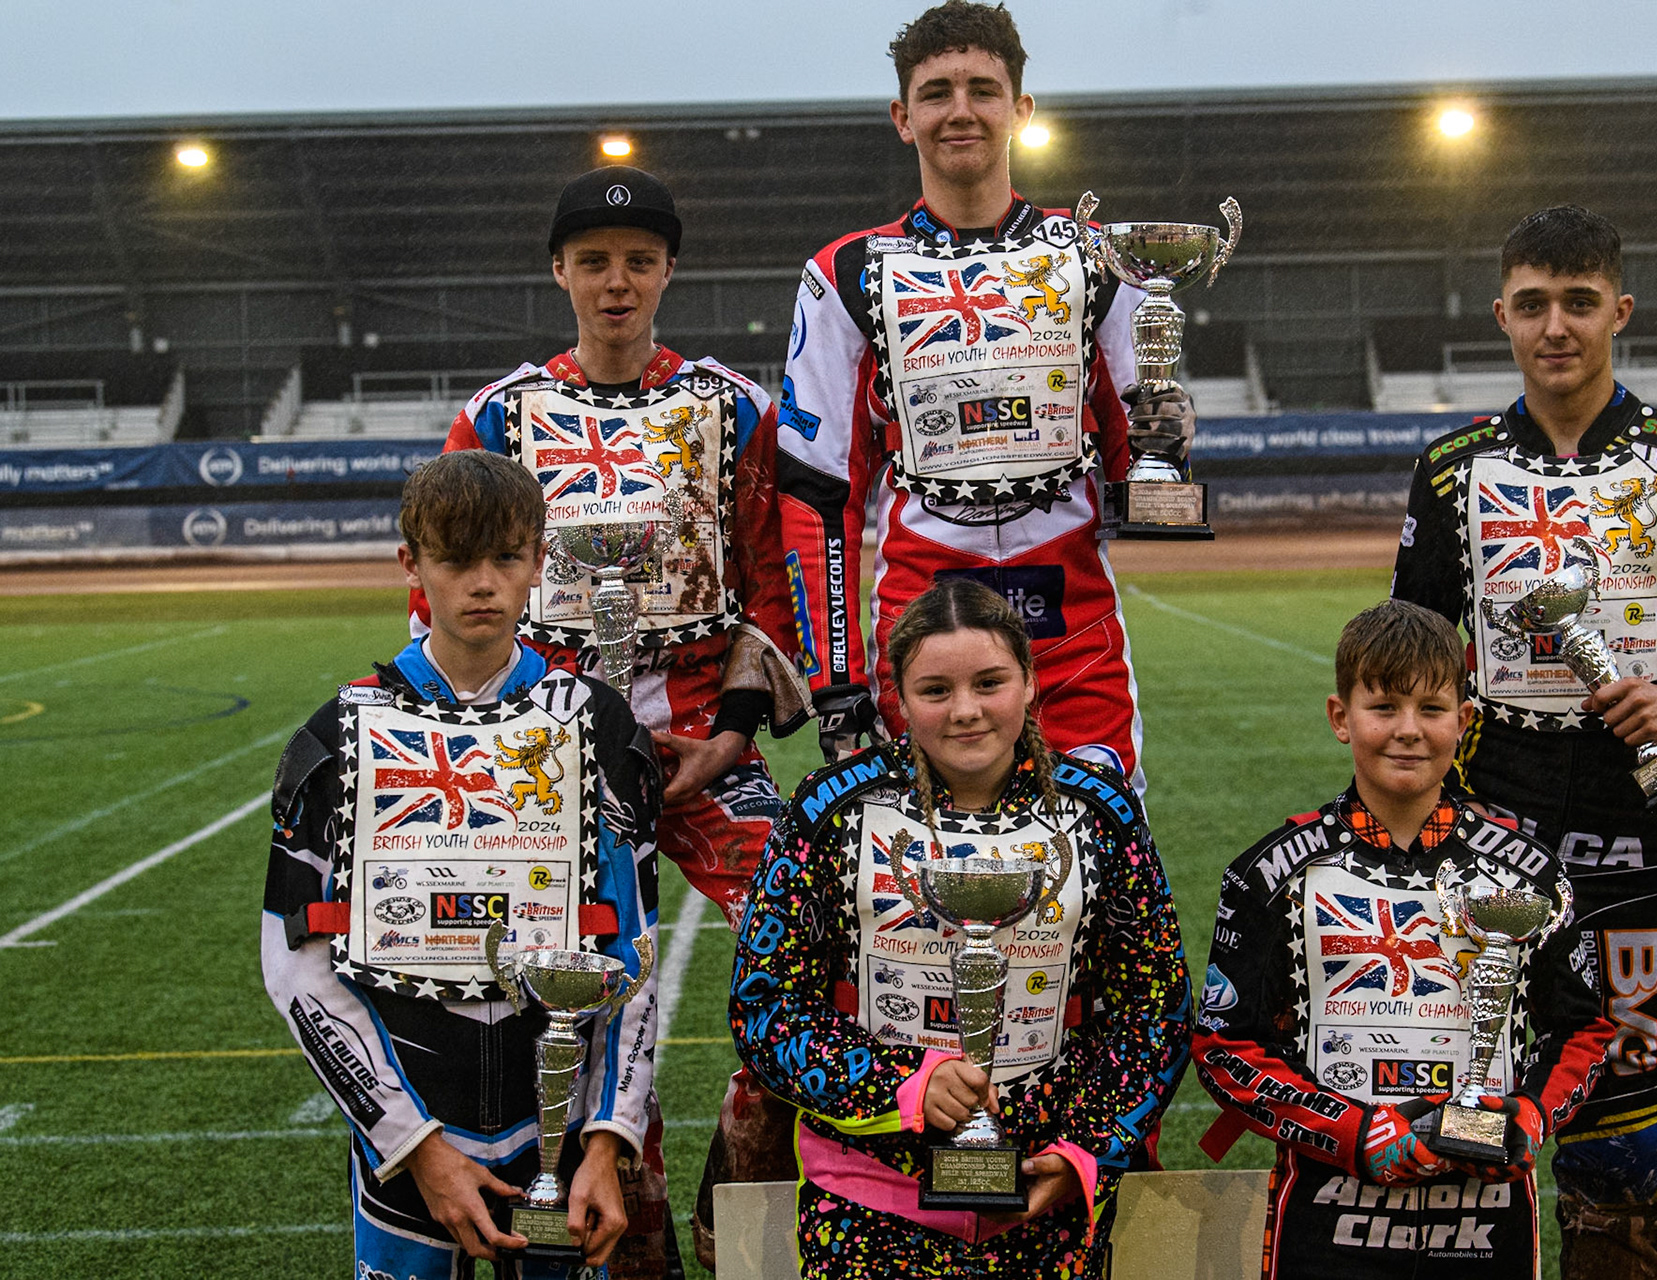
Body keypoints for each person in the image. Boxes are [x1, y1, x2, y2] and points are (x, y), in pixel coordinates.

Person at [412, 165, 812, 1272]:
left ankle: (744, 1184)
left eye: (639, 259)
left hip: (702, 742)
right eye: (594, 260)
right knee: (567, 1001)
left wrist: (732, 731)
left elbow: (770, 581)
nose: (617, 280)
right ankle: (620, 1230)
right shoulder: (497, 416)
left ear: (669, 269)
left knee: (816, 937)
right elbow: (445, 587)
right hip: (552, 756)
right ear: (560, 271)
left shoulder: (734, 407)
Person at [1390, 205, 1657, 1278]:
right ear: (1501, 317)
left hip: (1630, 830)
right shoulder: (1449, 468)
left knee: (1622, 1102)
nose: (1555, 325)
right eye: (1532, 304)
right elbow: (1411, 650)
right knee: (1466, 1072)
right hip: (1483, 823)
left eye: (1577, 302)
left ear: (1619, 308)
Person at [263, 450, 661, 1278]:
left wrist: (604, 1142)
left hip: (560, 1145)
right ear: (411, 563)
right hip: (409, 1146)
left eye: (507, 557)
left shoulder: (599, 728)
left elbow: (633, 950)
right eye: (455, 559)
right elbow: (295, 959)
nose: (483, 583)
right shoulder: (339, 737)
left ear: (541, 562)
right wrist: (412, 1144)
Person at [776, 0, 1192, 785]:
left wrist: (1163, 450)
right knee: (927, 887)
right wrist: (836, 686)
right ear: (903, 116)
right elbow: (814, 493)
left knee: (1100, 871)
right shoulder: (845, 277)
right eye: (936, 93)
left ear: (1021, 110)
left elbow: (1142, 463)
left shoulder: (1108, 262)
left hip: (1072, 638)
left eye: (981, 89)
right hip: (921, 644)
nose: (959, 111)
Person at [726, 576, 1192, 1276]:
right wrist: (901, 1085)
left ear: (1030, 682)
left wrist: (1087, 1147)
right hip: (868, 1199)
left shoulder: (1101, 813)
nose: (966, 711)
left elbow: (1157, 1007)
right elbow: (764, 1006)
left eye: (990, 682)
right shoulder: (828, 810)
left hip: (1046, 1200)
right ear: (901, 697)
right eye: (936, 691)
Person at [1194, 599, 1613, 1278]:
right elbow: (1223, 1048)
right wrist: (1352, 1133)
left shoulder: (1531, 875)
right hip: (1328, 1220)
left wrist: (1528, 1118)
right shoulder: (1269, 872)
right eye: (1383, 706)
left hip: (1488, 1220)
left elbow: (1585, 1031)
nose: (1408, 731)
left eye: (1432, 709)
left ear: (1465, 722)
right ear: (1341, 717)